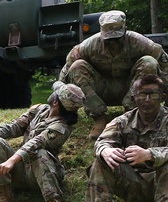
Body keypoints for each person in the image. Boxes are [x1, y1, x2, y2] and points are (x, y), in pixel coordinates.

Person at [72, 74, 168, 202]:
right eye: (142, 95)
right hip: (134, 186)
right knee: (102, 161)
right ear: (133, 98)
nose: (147, 100)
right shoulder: (123, 121)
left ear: (163, 96)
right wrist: (106, 151)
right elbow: (102, 141)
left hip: (163, 187)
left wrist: (150, 154)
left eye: (153, 95)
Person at [0, 82, 84, 202]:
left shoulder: (61, 127)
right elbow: (16, 125)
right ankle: (4, 195)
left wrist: (11, 161)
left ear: (56, 102)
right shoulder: (39, 110)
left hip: (41, 174)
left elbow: (36, 143)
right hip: (20, 169)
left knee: (40, 153)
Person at [59, 10, 168, 139]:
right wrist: (60, 99)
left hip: (132, 90)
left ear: (125, 30)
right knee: (77, 66)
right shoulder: (88, 46)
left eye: (117, 38)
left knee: (149, 62)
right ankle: (99, 118)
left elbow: (165, 67)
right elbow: (67, 71)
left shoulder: (140, 43)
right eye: (109, 38)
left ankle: (130, 114)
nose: (113, 42)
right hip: (100, 90)